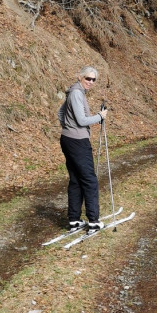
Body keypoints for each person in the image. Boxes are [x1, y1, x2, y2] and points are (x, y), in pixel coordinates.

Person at [58, 66, 107, 232]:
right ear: (80, 77)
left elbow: (60, 113)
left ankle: (74, 220)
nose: (90, 82)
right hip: (77, 142)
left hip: (68, 139)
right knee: (89, 180)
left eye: (93, 79)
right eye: (88, 78)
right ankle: (93, 221)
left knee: (76, 180)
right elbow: (81, 120)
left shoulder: (73, 91)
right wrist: (99, 117)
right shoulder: (77, 93)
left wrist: (67, 127)